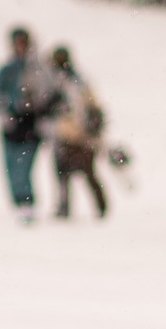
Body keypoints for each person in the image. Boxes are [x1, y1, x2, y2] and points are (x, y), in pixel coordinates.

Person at [0, 25, 54, 221]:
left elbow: (52, 95)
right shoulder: (7, 70)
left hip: (32, 125)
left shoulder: (40, 69)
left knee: (24, 166)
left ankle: (26, 202)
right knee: (11, 166)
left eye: (23, 42)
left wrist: (44, 117)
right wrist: (3, 111)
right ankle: (19, 201)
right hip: (12, 125)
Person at [45, 44, 109, 221]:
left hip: (80, 135)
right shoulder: (52, 82)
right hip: (63, 134)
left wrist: (94, 125)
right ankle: (65, 207)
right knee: (63, 174)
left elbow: (92, 105)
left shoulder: (77, 82)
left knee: (87, 172)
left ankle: (100, 207)